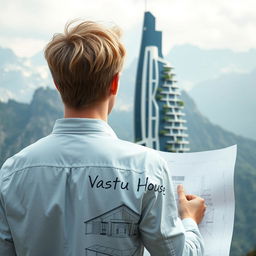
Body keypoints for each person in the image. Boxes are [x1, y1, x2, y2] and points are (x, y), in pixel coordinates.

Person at [0, 20, 206, 256]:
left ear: (57, 85)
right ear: (115, 83)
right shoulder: (145, 167)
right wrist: (189, 220)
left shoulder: (12, 171)